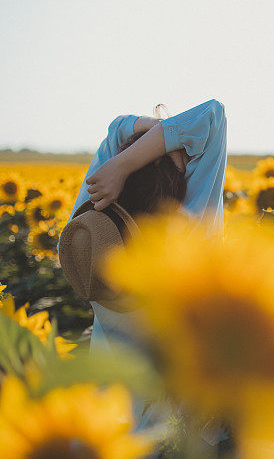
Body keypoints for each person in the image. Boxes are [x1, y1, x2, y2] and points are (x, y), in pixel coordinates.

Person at [65, 99, 227, 435]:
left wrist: (130, 149)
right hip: (180, 424)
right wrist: (132, 159)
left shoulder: (90, 230)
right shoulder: (188, 236)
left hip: (110, 419)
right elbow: (212, 116)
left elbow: (115, 132)